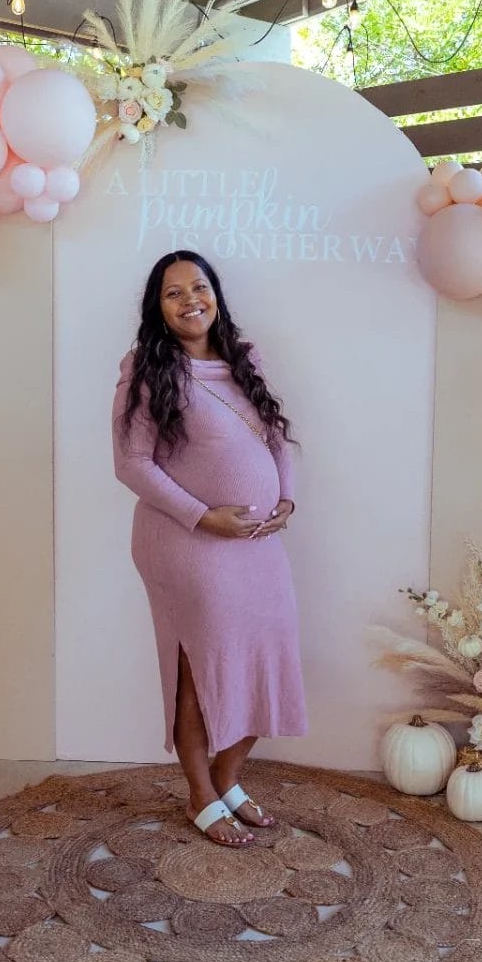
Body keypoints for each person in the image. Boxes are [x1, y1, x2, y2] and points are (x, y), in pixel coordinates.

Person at [112, 250, 308, 847]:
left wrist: (286, 499)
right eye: (173, 293)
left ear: (215, 294)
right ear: (158, 307)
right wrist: (203, 517)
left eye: (199, 287)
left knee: (270, 654)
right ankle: (201, 793)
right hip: (185, 543)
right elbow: (131, 464)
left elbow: (275, 437)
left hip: (255, 544)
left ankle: (227, 775)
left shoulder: (244, 360)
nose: (190, 299)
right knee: (201, 667)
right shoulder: (147, 370)